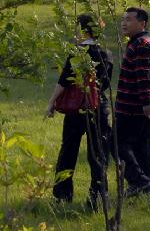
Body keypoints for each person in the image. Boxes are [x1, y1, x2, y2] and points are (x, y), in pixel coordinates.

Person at [46, 14, 113, 211]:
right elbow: (106, 84)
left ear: (82, 30)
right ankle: (98, 198)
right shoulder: (106, 54)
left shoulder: (77, 53)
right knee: (98, 154)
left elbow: (64, 81)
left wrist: (51, 104)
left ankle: (62, 195)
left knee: (68, 151)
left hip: (76, 110)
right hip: (98, 108)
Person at [115, 7, 150, 198]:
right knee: (142, 149)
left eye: (129, 20)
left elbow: (142, 77)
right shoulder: (138, 42)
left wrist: (146, 103)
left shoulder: (141, 44)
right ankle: (144, 189)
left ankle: (139, 181)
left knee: (116, 144)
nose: (124, 23)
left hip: (133, 108)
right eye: (123, 19)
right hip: (140, 106)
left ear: (142, 23)